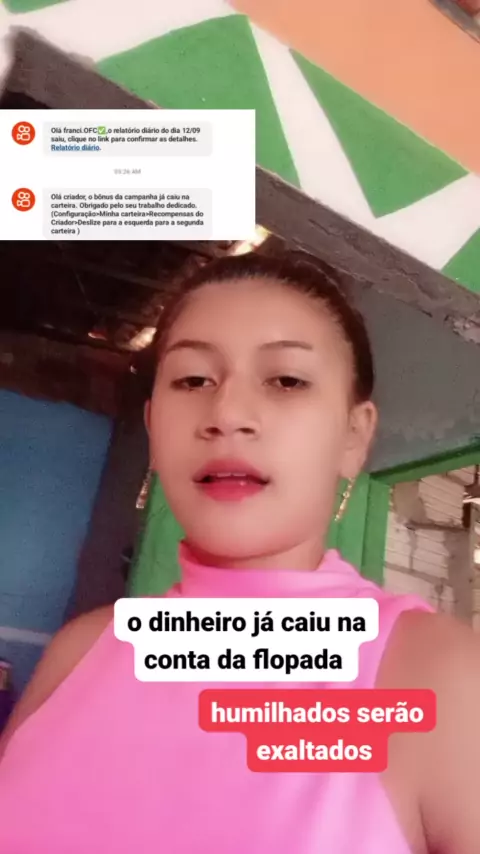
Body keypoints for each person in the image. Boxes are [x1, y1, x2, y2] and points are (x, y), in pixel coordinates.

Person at [0, 252, 478, 854]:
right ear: (154, 426)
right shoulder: (79, 651)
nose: (226, 414)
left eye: (286, 380)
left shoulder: (440, 677)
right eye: (193, 380)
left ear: (354, 435)